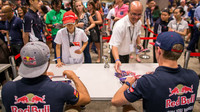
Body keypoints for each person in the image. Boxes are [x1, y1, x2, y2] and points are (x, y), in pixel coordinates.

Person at [111, 32, 199, 111]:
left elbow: (115, 101)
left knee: (127, 106)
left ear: (159, 51)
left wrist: (127, 83)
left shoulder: (147, 81)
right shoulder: (193, 76)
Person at [2, 41, 91, 112]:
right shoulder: (61, 88)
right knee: (74, 107)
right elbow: (86, 99)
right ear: (48, 63)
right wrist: (74, 77)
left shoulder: (7, 88)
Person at [109, 1, 144, 73]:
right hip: (117, 55)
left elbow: (137, 34)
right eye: (134, 14)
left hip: (127, 53)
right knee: (116, 75)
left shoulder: (139, 22)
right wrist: (117, 60)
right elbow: (114, 46)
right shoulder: (120, 25)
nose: (136, 17)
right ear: (128, 12)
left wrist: (139, 44)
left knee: (125, 74)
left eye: (139, 14)